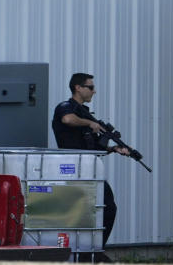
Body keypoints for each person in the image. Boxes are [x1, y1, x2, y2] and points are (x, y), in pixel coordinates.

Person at [52, 73, 129, 248]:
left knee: (106, 209)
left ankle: (93, 249)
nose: (94, 91)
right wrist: (89, 123)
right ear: (78, 88)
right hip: (72, 168)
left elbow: (93, 147)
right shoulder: (65, 107)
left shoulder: (85, 114)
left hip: (88, 168)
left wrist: (113, 149)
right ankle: (88, 251)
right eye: (91, 87)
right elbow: (67, 119)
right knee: (102, 208)